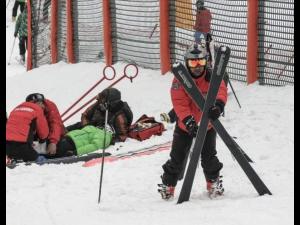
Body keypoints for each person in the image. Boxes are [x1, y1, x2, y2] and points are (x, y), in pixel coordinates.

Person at [158, 43, 228, 200]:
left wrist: (218, 106)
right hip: (185, 126)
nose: (197, 67)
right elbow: (179, 102)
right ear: (187, 63)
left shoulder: (211, 77)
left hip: (207, 125)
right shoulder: (180, 79)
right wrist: (188, 121)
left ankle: (213, 182)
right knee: (177, 157)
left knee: (209, 156)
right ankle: (168, 184)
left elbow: (221, 91)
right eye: (193, 63)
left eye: (201, 62)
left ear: (206, 62)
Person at [66, 87, 133, 144]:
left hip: (99, 134)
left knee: (73, 140)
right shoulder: (99, 103)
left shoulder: (119, 116)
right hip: (90, 126)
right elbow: (85, 115)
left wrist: (109, 140)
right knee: (68, 130)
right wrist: (86, 126)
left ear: (110, 102)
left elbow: (122, 136)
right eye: (101, 99)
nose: (101, 102)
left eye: (103, 100)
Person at [45, 125, 113, 158]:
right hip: (66, 138)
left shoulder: (105, 136)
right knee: (47, 144)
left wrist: (76, 152)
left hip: (72, 144)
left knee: (51, 150)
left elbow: (94, 146)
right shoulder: (94, 128)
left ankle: (39, 156)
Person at [14, 0, 27, 65]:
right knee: (28, 45)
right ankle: (27, 57)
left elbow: (17, 24)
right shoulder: (32, 15)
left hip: (22, 33)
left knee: (21, 45)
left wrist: (16, 32)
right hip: (28, 33)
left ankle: (22, 57)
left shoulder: (21, 15)